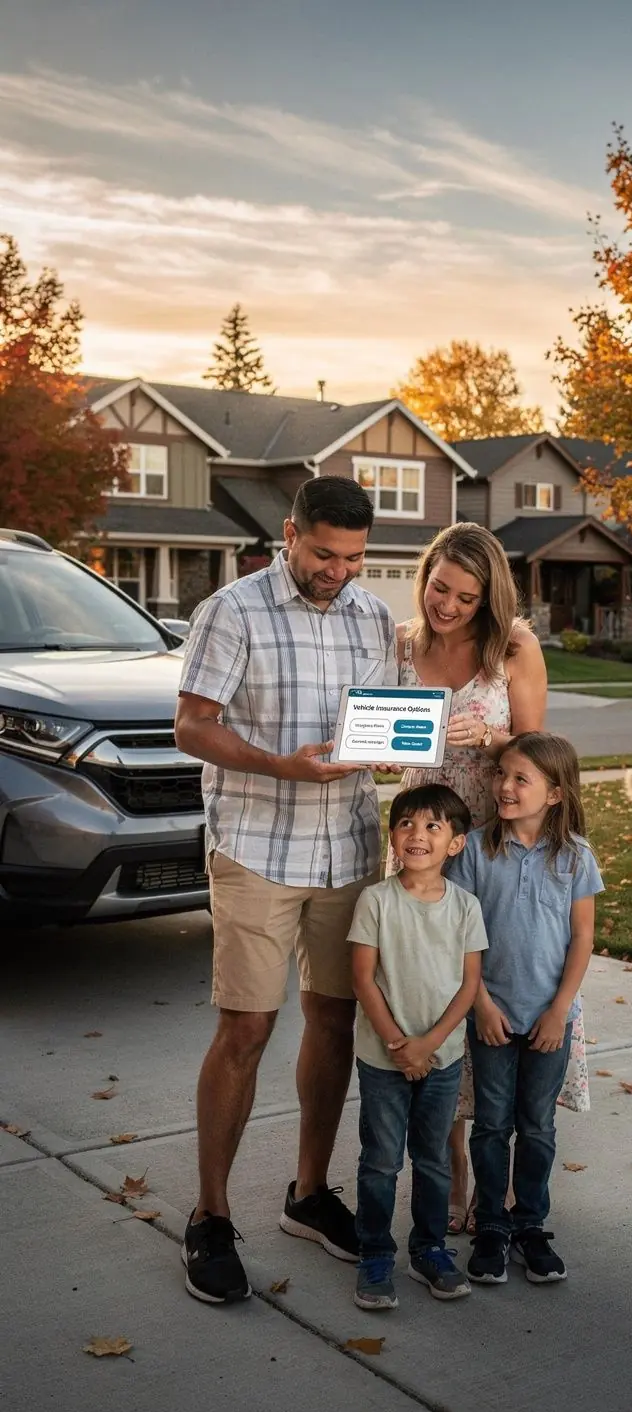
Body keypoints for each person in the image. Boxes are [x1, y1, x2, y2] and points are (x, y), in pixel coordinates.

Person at [174, 475, 398, 1305]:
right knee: (248, 1027)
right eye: (324, 554)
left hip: (346, 848)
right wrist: (280, 763)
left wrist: (389, 748)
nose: (337, 571)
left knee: (334, 1017)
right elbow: (191, 725)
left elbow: (384, 721)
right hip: (260, 849)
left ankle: (308, 1195)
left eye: (353, 558)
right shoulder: (232, 610)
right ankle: (210, 1216)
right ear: (290, 531)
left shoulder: (372, 616)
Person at [387, 521, 590, 1234]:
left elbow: (537, 749)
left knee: (495, 995)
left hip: (495, 842)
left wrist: (492, 739)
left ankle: (499, 1185)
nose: (447, 605)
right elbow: (387, 732)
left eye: (466, 598)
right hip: (422, 843)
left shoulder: (515, 648)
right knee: (429, 998)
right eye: (440, 588)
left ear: (489, 597)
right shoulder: (405, 642)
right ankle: (449, 1176)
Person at [446, 732, 603, 1286]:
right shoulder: (476, 849)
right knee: (491, 1127)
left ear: (556, 793)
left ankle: (530, 1224)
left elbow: (582, 939)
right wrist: (481, 1006)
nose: (505, 787)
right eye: (501, 775)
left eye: (520, 779)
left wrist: (559, 1010)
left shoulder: (576, 856)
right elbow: (461, 938)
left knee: (537, 1127)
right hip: (491, 1012)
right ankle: (491, 1226)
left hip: (548, 1019)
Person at [349, 783, 487, 1310]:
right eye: (406, 823)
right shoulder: (375, 901)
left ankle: (430, 1250)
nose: (417, 835)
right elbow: (364, 979)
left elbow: (469, 985)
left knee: (431, 1160)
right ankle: (375, 1255)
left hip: (443, 1057)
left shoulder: (466, 907)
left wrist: (428, 1044)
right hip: (382, 1058)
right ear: (392, 835)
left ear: (455, 843)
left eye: (433, 826)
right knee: (381, 1161)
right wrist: (396, 1044)